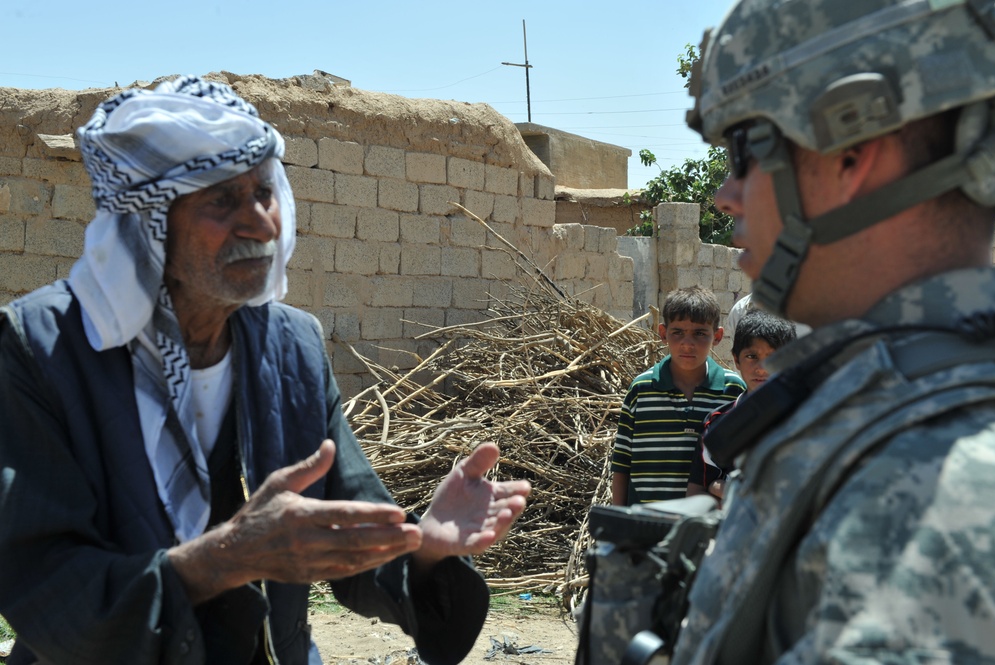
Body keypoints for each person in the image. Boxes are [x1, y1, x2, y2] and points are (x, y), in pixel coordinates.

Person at [0, 76, 531, 665]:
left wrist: (423, 545)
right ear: (148, 221)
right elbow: (45, 584)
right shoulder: (41, 348)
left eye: (264, 192)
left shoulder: (293, 347)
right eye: (221, 200)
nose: (259, 221)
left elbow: (345, 535)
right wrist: (229, 555)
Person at [672, 1, 995, 662]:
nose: (725, 194)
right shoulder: (880, 403)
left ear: (850, 151)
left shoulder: (937, 483)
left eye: (745, 150)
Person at [610, 285, 745, 506]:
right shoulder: (641, 389)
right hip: (645, 524)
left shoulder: (733, 391)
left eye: (700, 333)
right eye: (678, 332)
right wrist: (617, 523)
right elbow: (622, 463)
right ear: (663, 333)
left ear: (718, 336)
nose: (688, 343)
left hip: (704, 528)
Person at [686, 308, 796, 501]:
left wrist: (723, 488)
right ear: (736, 360)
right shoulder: (718, 424)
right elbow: (698, 490)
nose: (761, 369)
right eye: (752, 357)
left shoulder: (807, 418)